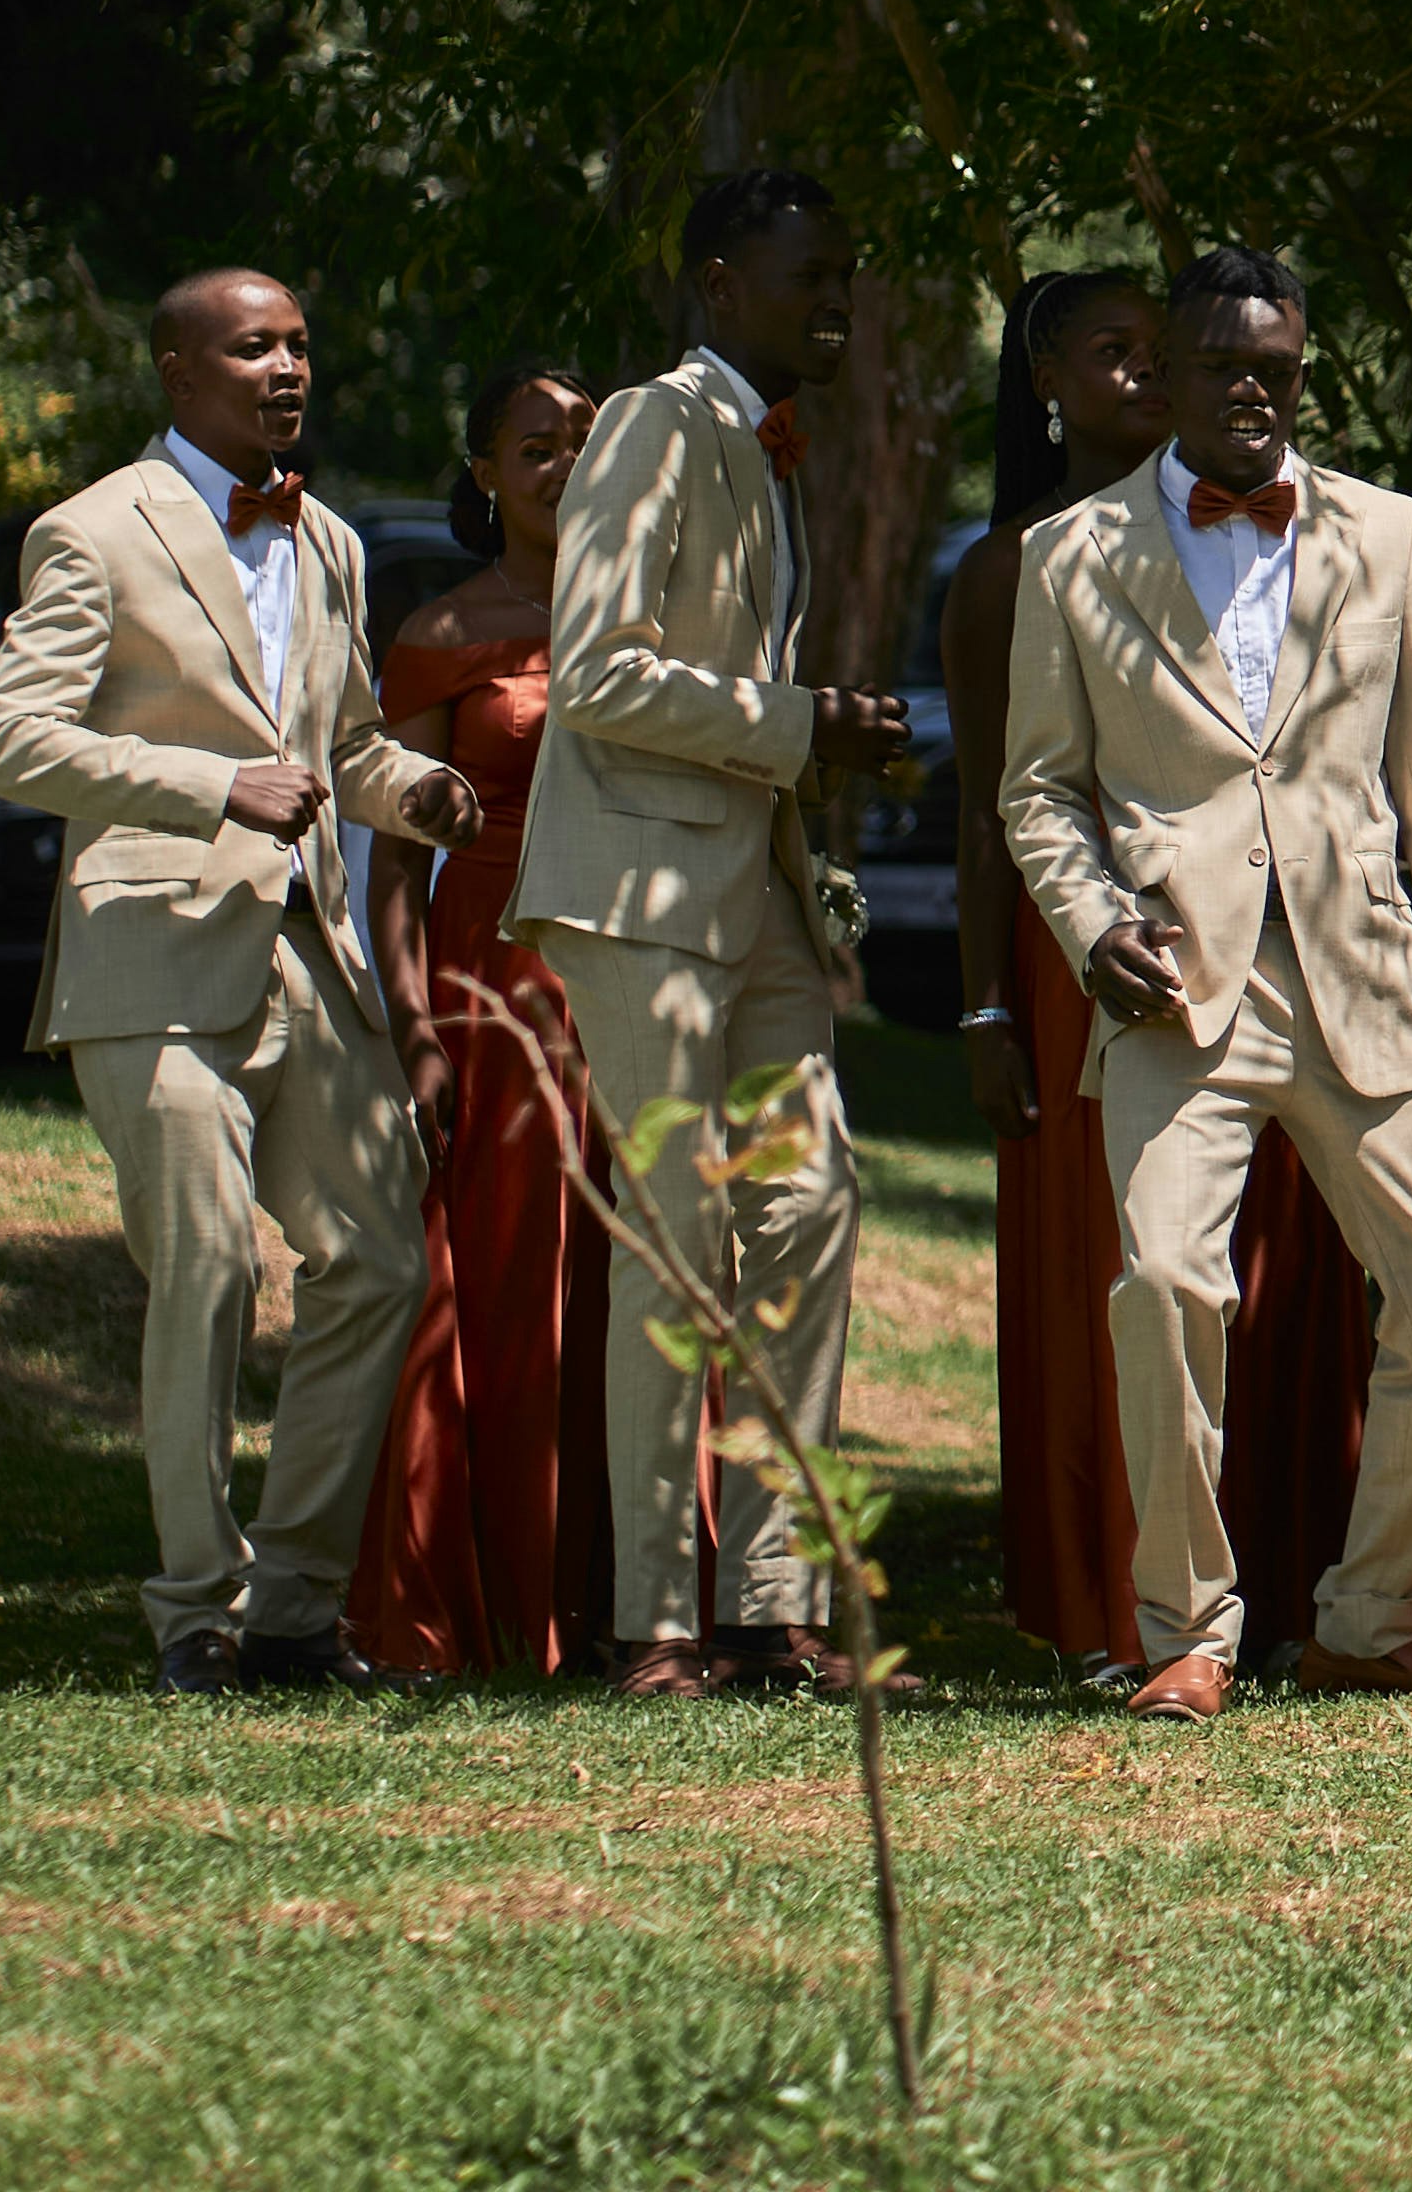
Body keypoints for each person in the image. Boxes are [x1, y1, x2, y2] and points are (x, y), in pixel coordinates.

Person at [993, 246, 1412, 1716]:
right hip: (1177, 983)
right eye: (1226, 367)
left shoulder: (1394, 536)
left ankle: (1369, 1615)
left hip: (1367, 975)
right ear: (1166, 377)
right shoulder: (1072, 555)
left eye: (1279, 370)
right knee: (1165, 1284)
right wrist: (1092, 919)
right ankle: (1190, 1631)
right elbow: (1039, 792)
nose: (1254, 393)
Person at [0, 268, 481, 1693]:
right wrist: (209, 785)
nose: (287, 368)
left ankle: (295, 1611)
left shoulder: (327, 542)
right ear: (178, 368)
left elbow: (348, 742)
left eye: (302, 344)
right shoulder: (92, 531)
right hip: (150, 948)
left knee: (379, 1259)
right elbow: (7, 740)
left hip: (308, 957)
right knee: (204, 1270)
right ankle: (196, 1609)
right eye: (254, 347)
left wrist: (418, 792)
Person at [516, 161, 909, 1697]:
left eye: (848, 275)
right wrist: (799, 719)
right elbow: (598, 672)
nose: (839, 301)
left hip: (754, 899)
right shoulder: (648, 426)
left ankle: (766, 1605)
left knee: (810, 1212)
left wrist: (809, 748)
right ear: (720, 284)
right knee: (678, 1243)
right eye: (810, 275)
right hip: (641, 892)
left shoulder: (768, 451)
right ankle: (654, 1622)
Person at [348, 362, 614, 1675]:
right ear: (484, 476)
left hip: (633, 968)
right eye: (533, 446)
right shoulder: (442, 631)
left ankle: (632, 1600)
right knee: (510, 1281)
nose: (561, 463)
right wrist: (410, 1031)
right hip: (490, 974)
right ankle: (498, 1601)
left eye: (583, 439)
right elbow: (391, 865)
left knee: (630, 1284)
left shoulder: (661, 625)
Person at [945, 270, 1173, 1678]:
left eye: (1168, 351)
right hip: (1065, 950)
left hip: (1225, 933)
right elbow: (989, 806)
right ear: (1047, 378)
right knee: (1104, 1269)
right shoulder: (1005, 564)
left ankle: (1216, 1593)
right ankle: (1101, 1604)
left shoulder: (1227, 540)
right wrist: (982, 1002)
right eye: (1116, 352)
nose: (1149, 373)